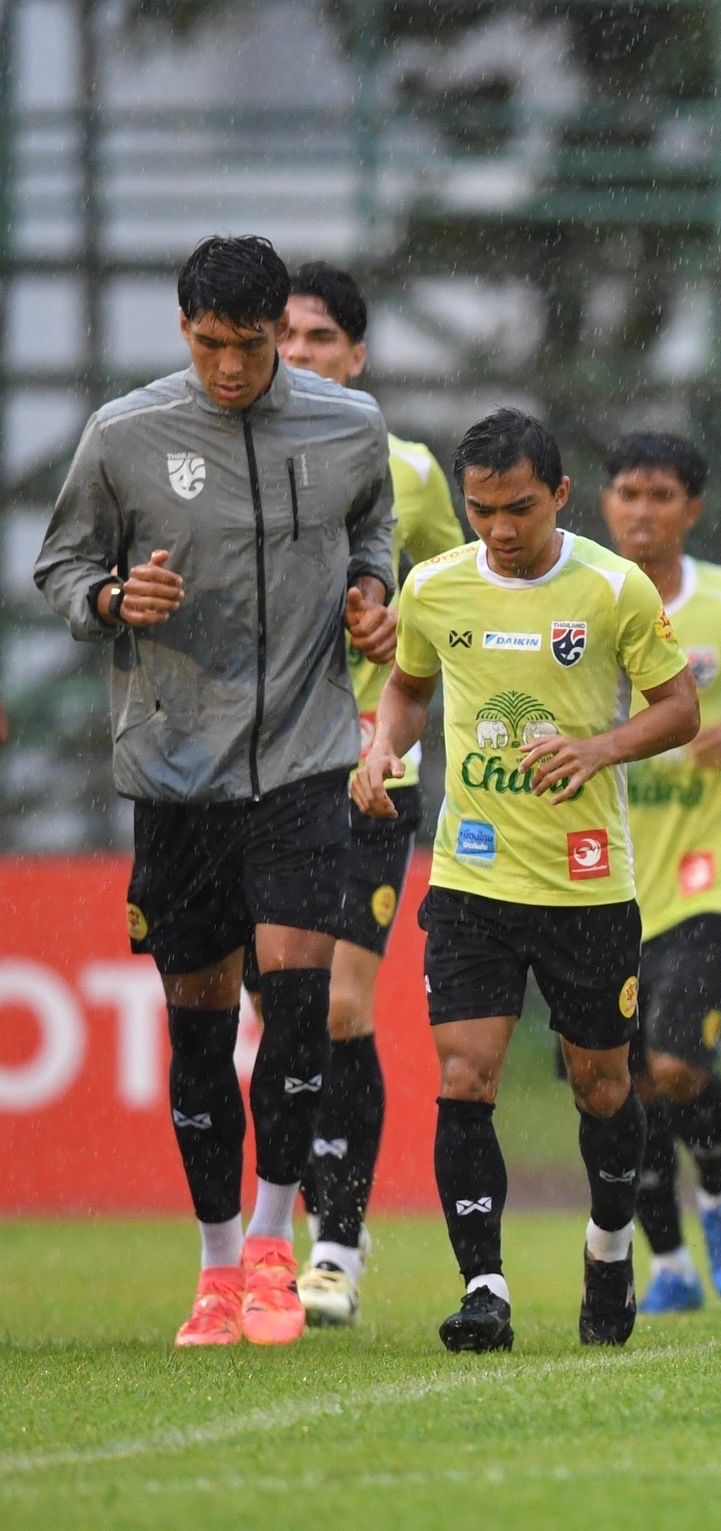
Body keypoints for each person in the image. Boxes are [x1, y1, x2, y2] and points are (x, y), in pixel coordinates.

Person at [36, 235, 398, 1349]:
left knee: (296, 1008)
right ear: (181, 327)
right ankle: (212, 1266)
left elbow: (370, 528)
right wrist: (110, 598)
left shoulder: (348, 426)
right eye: (209, 346)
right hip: (176, 769)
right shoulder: (124, 435)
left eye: (249, 348)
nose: (231, 369)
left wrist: (373, 588)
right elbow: (58, 567)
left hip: (303, 757)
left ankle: (277, 1244)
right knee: (197, 1032)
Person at [354, 408, 698, 1352]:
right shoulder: (436, 587)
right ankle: (485, 1288)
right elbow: (411, 687)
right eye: (479, 511)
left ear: (560, 497)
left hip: (586, 883)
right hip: (472, 878)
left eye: (517, 509)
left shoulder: (614, 589)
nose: (498, 531)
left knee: (601, 1084)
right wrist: (382, 743)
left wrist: (597, 748)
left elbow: (679, 709)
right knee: (466, 1077)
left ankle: (610, 1248)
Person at [273, 258, 468, 1327]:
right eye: (282, 336)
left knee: (343, 1005)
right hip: (249, 773)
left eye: (314, 337)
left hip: (361, 772)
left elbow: (453, 595)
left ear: (355, 355)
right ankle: (295, 1215)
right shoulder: (222, 459)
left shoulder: (408, 471)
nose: (295, 353)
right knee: (278, 1007)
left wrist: (406, 634)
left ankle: (337, 1245)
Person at [594, 432, 721, 1314]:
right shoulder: (581, 605)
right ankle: (667, 1262)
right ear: (602, 504)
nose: (641, 511)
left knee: (672, 1065)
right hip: (601, 879)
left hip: (712, 876)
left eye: (660, 495)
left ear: (691, 509)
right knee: (618, 1085)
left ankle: (719, 1193)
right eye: (626, 493)